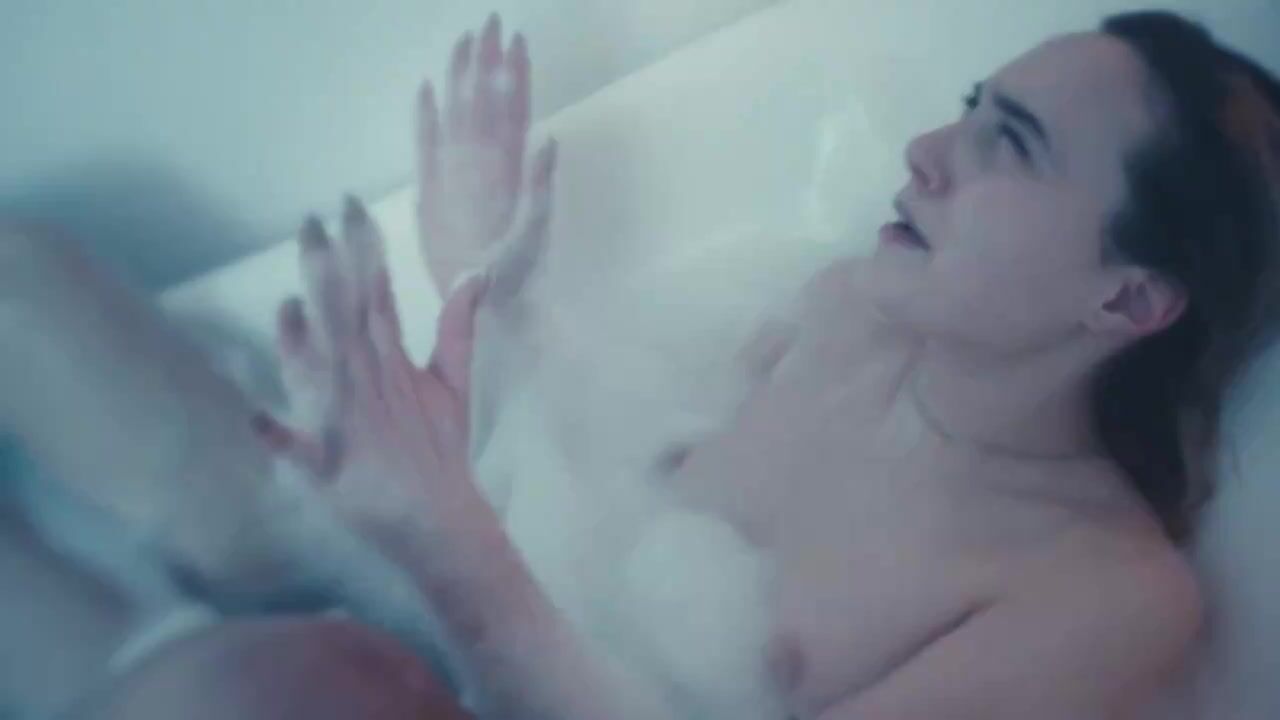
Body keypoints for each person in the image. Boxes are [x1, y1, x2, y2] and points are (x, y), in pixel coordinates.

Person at [2, 8, 1277, 720]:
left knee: (255, 691)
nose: (926, 151)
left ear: (1127, 296)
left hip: (422, 635)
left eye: (1013, 143)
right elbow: (603, 460)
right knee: (18, 277)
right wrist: (489, 277)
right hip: (412, 574)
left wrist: (453, 548)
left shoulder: (1104, 595)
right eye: (967, 107)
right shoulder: (853, 306)